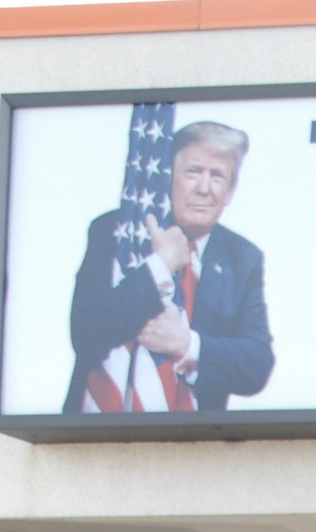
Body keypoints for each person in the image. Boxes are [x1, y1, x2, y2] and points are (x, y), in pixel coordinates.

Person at [65, 120, 274, 414]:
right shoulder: (116, 231)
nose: (204, 189)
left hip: (190, 439)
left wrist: (187, 345)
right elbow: (86, 332)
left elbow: (257, 365)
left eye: (217, 176)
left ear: (230, 190)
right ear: (169, 177)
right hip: (97, 432)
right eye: (193, 172)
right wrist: (159, 267)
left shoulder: (242, 258)